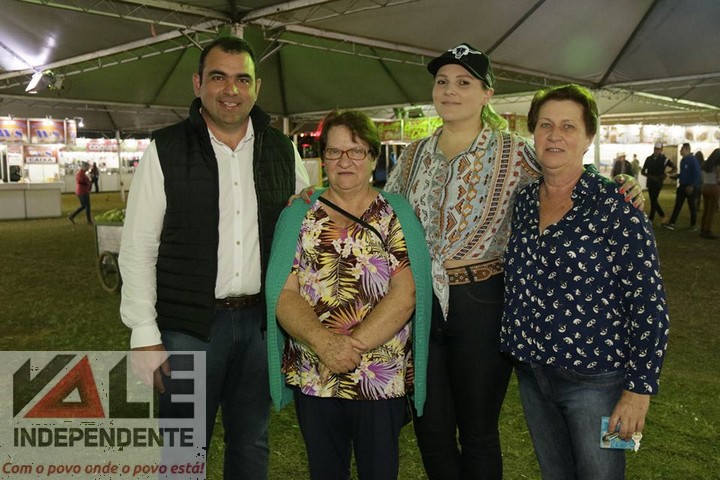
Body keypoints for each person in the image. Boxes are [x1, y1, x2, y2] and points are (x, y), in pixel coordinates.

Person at [383, 43, 643, 479]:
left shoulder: (516, 150)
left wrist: (622, 182)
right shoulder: (412, 156)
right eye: (443, 82)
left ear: (487, 94)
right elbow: (381, 211)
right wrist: (319, 197)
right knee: (431, 427)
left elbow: (569, 173)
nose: (450, 90)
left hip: (483, 301)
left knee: (479, 430)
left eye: (464, 82)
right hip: (421, 304)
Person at [118, 36, 309, 478]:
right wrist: (144, 333)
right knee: (183, 449)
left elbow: (305, 225)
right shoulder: (165, 149)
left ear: (257, 87)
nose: (231, 89)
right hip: (188, 329)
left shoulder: (282, 150)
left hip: (260, 326)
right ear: (198, 83)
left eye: (242, 79)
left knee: (252, 440)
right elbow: (139, 247)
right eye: (219, 77)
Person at [501, 84, 670, 479]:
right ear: (533, 133)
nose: (555, 135)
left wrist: (639, 390)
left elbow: (649, 303)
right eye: (545, 125)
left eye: (568, 126)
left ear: (589, 137)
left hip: (597, 381)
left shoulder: (617, 205)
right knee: (554, 473)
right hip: (532, 371)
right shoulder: (524, 201)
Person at [266, 110, 432, 480]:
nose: (345, 161)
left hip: (378, 375)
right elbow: (282, 292)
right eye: (334, 151)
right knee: (325, 471)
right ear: (322, 158)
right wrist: (323, 344)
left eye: (356, 151)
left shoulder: (396, 214)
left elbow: (406, 293)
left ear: (373, 157)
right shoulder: (298, 214)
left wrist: (347, 348)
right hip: (316, 372)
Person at [663, 143, 701, 231]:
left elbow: (696, 173)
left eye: (682, 149)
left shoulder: (693, 160)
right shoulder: (683, 160)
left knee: (692, 206)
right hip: (682, 186)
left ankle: (693, 225)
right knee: (678, 205)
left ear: (687, 150)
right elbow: (684, 173)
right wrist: (676, 176)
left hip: (690, 186)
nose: (680, 151)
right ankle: (672, 223)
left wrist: (692, 185)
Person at [700, 148, 720, 239]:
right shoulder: (717, 167)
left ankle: (703, 229)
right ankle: (708, 230)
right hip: (714, 188)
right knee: (711, 211)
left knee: (706, 210)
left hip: (705, 187)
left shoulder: (706, 165)